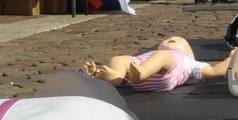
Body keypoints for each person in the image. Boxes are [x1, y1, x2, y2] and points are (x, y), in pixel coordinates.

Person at [83, 36, 229, 91]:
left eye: (177, 39)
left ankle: (141, 74)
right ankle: (115, 78)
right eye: (170, 38)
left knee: (161, 56)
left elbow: (215, 72)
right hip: (138, 70)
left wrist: (231, 58)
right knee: (119, 59)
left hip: (160, 73)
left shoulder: (189, 61)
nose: (171, 38)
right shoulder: (150, 55)